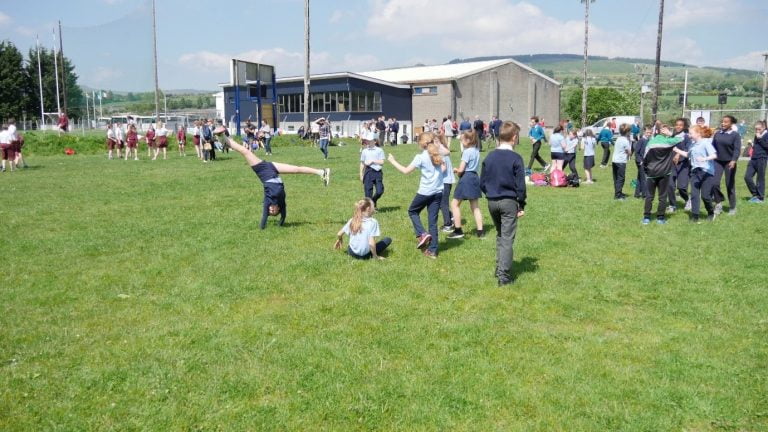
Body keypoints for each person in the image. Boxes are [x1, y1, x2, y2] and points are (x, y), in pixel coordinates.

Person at [213, 126, 330, 229]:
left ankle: (222, 137)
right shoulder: (281, 202)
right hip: (271, 169)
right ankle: (321, 172)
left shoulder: (267, 201)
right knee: (296, 169)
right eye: (273, 211)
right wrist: (281, 221)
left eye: (270, 211)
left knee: (245, 152)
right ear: (278, 209)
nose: (271, 209)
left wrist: (262, 227)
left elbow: (264, 217)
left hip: (263, 170)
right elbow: (283, 215)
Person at [387, 131, 447, 259]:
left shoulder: (420, 157)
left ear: (422, 144)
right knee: (433, 222)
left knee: (412, 211)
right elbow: (444, 168)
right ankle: (433, 251)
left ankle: (422, 234)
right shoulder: (437, 153)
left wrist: (392, 161)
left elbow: (406, 171)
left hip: (425, 192)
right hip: (438, 192)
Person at [480, 121, 526, 286]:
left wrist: (490, 194)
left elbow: (482, 182)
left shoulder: (489, 156)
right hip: (508, 202)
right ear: (514, 138)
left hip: (492, 202)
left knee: (500, 235)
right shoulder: (516, 158)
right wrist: (521, 204)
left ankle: (499, 267)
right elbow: (520, 185)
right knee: (507, 238)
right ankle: (504, 276)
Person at [641, 125, 686, 225]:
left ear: (656, 132)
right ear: (666, 132)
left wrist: (647, 170)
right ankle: (660, 218)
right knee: (662, 196)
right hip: (665, 172)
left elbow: (645, 158)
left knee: (649, 196)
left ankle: (646, 217)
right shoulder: (669, 142)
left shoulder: (650, 142)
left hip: (651, 172)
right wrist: (671, 134)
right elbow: (682, 138)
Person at [676, 125, 718, 222]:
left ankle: (711, 212)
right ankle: (695, 216)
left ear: (698, 133)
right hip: (695, 172)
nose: (689, 135)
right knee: (694, 195)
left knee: (705, 196)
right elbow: (687, 155)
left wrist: (704, 159)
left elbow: (714, 155)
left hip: (706, 172)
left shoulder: (705, 143)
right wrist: (676, 150)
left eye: (691, 133)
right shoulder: (692, 145)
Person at [448, 130, 484, 239]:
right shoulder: (477, 151)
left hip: (466, 178)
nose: (461, 141)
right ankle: (480, 232)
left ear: (468, 140)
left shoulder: (467, 152)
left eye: (462, 140)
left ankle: (458, 231)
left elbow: (461, 169)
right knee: (475, 207)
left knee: (454, 204)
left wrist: (456, 170)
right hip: (475, 177)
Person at [711, 115, 742, 216]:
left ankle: (732, 207)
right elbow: (712, 147)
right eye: (722, 122)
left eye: (726, 122)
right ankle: (718, 203)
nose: (723, 123)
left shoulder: (735, 135)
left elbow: (737, 149)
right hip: (717, 161)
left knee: (729, 184)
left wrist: (734, 160)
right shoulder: (717, 134)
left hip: (729, 162)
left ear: (731, 124)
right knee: (714, 183)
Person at [667, 118, 692, 213]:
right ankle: (672, 205)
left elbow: (688, 149)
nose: (678, 126)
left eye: (680, 125)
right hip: (671, 164)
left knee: (682, 187)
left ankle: (687, 200)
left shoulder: (687, 137)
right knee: (670, 185)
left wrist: (678, 154)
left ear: (684, 126)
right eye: (677, 124)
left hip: (683, 164)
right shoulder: (671, 136)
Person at [435, 133, 455, 233]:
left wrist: (433, 174)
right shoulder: (442, 149)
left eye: (435, 141)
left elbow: (443, 168)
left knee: (443, 203)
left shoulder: (441, 151)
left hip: (445, 182)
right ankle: (452, 216)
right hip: (445, 181)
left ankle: (448, 225)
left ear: (439, 142)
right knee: (440, 203)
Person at [744, 120, 767, 203]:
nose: (757, 131)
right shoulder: (756, 135)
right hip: (753, 158)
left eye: (759, 129)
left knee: (760, 179)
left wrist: (760, 139)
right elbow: (756, 146)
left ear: (764, 128)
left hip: (762, 158)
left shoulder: (766, 135)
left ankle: (760, 198)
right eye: (756, 129)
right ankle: (755, 194)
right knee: (747, 177)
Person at [360, 138, 385, 207]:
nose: (368, 142)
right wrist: (361, 174)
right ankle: (370, 208)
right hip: (368, 172)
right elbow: (362, 163)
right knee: (368, 193)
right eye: (367, 140)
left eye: (370, 140)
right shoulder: (364, 151)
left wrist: (373, 161)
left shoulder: (379, 150)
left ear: (375, 141)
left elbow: (382, 162)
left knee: (380, 191)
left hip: (377, 172)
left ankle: (373, 201)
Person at [612, 124, 632, 200]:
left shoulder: (618, 138)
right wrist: (630, 142)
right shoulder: (625, 141)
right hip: (621, 161)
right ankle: (618, 195)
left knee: (616, 178)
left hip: (614, 160)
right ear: (627, 132)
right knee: (621, 178)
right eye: (629, 131)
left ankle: (618, 192)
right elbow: (629, 152)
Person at [632, 127, 651, 198]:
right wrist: (639, 161)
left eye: (650, 133)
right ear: (644, 132)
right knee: (644, 178)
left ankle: (637, 194)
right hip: (641, 162)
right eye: (647, 132)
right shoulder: (641, 140)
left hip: (646, 161)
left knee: (640, 177)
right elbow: (636, 152)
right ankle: (644, 194)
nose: (649, 134)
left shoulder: (648, 140)